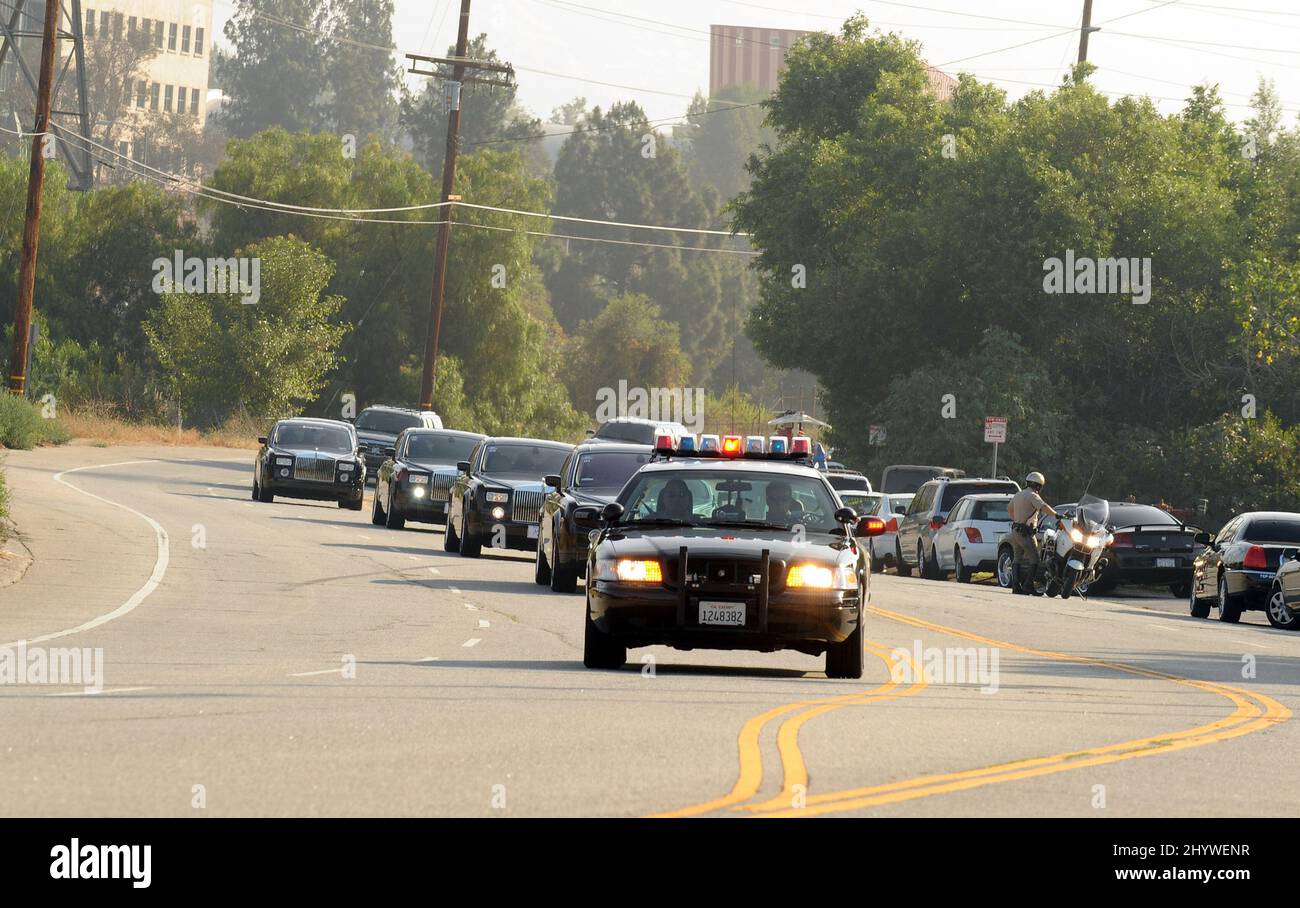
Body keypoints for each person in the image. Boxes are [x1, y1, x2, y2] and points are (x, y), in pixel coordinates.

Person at [1008, 471, 1058, 595]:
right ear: (1038, 486)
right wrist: (1056, 515)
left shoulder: (1018, 494)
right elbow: (1043, 507)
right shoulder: (1033, 496)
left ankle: (1016, 587)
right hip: (1026, 532)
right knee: (1035, 558)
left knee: (1017, 558)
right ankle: (1028, 586)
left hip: (1015, 529)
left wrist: (1017, 519)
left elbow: (1009, 509)